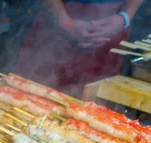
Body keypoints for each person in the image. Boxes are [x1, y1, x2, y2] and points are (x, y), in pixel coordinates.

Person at [14, 0, 144, 98]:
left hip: (114, 24)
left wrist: (125, 17)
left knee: (97, 103)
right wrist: (65, 22)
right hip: (56, 18)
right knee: (30, 93)